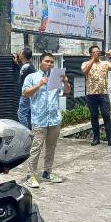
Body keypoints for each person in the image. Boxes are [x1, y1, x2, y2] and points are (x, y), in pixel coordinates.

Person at [21, 52, 71, 188]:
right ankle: (30, 175)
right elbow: (25, 93)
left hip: (54, 118)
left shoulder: (55, 77)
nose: (49, 64)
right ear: (41, 62)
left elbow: (66, 91)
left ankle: (47, 173)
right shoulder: (32, 77)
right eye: (47, 61)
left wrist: (65, 81)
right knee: (36, 147)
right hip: (39, 118)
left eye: (51, 62)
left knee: (51, 147)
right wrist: (39, 84)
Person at [81, 45, 111, 148]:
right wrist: (93, 60)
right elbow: (84, 72)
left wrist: (110, 57)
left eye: (98, 52)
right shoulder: (86, 63)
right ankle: (96, 138)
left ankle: (110, 139)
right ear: (90, 54)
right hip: (91, 94)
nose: (97, 54)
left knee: (106, 115)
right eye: (94, 52)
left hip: (103, 93)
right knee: (94, 116)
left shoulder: (105, 63)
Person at [15, 48, 36, 129]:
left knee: (21, 114)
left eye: (20, 53)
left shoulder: (30, 67)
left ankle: (26, 132)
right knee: (28, 114)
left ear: (23, 55)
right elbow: (22, 74)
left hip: (26, 95)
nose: (19, 54)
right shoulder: (26, 66)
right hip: (27, 94)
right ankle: (30, 132)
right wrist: (17, 64)